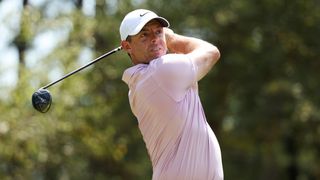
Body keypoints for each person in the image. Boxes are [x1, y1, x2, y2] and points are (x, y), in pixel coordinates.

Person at [120, 9, 223, 180]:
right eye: (144, 35)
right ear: (127, 46)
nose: (155, 38)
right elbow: (211, 52)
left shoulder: (140, 83)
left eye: (158, 31)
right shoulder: (162, 70)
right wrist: (172, 38)